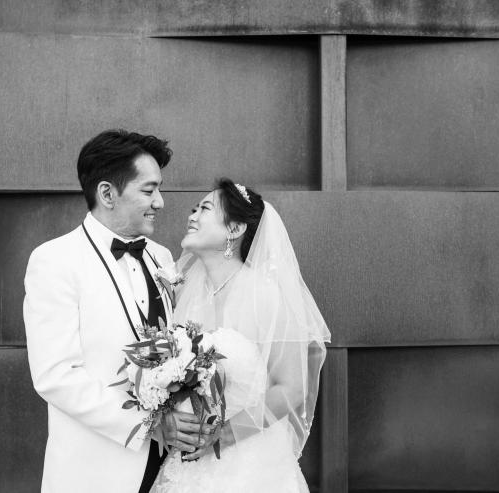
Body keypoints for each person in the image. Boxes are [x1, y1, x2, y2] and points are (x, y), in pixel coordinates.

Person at [23, 129, 212, 493]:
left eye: (159, 190)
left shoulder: (161, 256)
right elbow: (55, 376)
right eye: (148, 190)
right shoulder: (54, 260)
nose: (160, 202)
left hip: (170, 467)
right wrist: (149, 424)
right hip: (96, 472)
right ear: (107, 193)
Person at [151, 179, 331, 492]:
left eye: (205, 208)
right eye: (194, 209)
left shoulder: (266, 294)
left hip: (252, 464)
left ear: (234, 229)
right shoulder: (184, 294)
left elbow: (291, 389)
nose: (192, 216)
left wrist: (222, 434)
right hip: (189, 461)